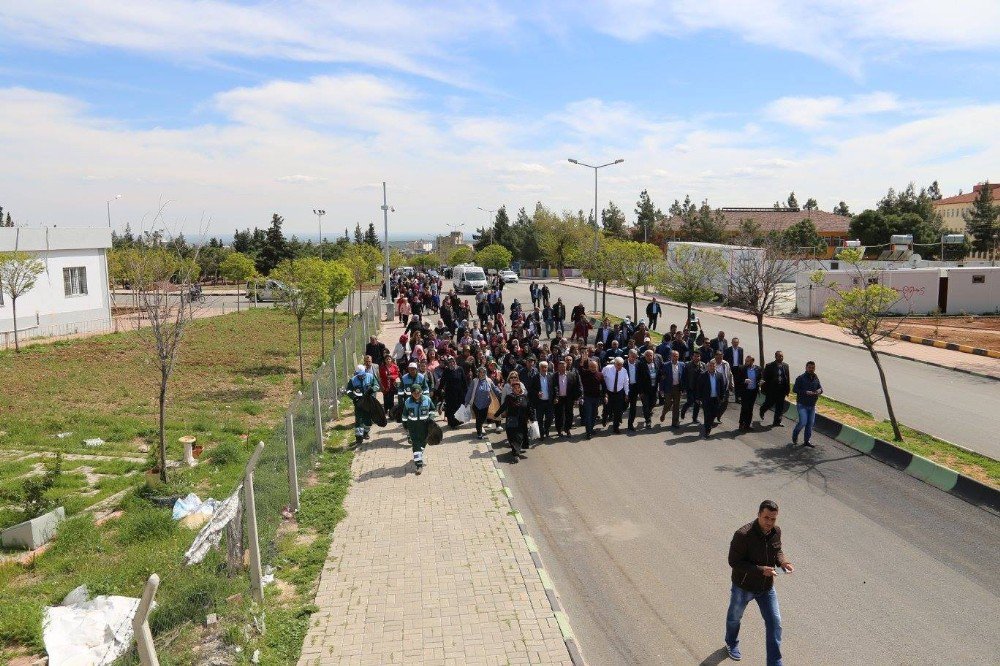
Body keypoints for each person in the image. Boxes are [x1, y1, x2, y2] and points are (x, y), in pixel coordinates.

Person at [725, 500, 793, 665]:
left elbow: (777, 550)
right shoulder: (743, 535)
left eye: (773, 519)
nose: (769, 522)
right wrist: (760, 569)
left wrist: (783, 562)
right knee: (735, 618)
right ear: (758, 515)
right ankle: (731, 643)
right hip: (743, 587)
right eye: (766, 518)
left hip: (766, 588)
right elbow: (734, 562)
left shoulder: (776, 531)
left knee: (775, 624)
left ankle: (774, 662)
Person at [495, 376, 534, 461]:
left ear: (520, 388)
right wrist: (497, 414)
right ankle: (515, 454)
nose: (516, 389)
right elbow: (503, 406)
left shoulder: (524, 397)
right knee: (512, 437)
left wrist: (532, 418)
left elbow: (529, 408)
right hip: (512, 421)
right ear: (512, 389)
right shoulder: (509, 397)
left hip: (522, 421)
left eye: (518, 387)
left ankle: (517, 451)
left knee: (520, 437)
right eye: (514, 387)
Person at [402, 384, 436, 474]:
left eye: (418, 392)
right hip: (413, 427)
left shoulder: (427, 399)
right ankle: (419, 465)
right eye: (414, 393)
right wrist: (405, 425)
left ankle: (418, 455)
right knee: (416, 445)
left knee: (423, 443)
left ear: (421, 392)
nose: (416, 394)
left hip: (425, 426)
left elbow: (432, 410)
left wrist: (431, 419)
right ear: (411, 393)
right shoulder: (407, 402)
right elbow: (405, 415)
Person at [345, 364, 380, 447]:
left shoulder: (370, 377)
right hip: (358, 402)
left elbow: (376, 386)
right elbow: (348, 391)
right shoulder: (353, 380)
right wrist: (354, 397)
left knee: (368, 419)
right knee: (359, 419)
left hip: (368, 401)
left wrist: (372, 389)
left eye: (362, 375)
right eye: (359, 375)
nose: (361, 377)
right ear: (356, 373)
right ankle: (358, 438)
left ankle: (366, 432)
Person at [791, 361, 823, 447]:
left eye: (813, 368)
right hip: (802, 405)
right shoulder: (801, 378)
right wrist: (805, 392)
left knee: (810, 424)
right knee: (803, 422)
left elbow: (820, 388)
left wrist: (819, 391)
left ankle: (806, 441)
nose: (811, 369)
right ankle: (795, 434)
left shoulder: (816, 377)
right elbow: (794, 389)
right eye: (809, 367)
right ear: (806, 368)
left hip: (812, 405)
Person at [465, 366, 502, 439]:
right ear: (478, 373)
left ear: (485, 373)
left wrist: (501, 394)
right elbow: (469, 392)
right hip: (476, 404)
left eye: (483, 372)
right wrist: (466, 401)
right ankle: (479, 433)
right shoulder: (474, 381)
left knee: (483, 418)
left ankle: (479, 429)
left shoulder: (489, 380)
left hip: (485, 404)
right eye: (480, 372)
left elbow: (494, 389)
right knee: (478, 419)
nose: (482, 373)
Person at [760, 351, 791, 427]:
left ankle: (777, 422)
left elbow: (787, 378)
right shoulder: (769, 366)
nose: (781, 358)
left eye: (782, 356)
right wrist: (764, 389)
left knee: (780, 406)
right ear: (775, 357)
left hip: (781, 390)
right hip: (772, 390)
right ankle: (762, 410)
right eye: (779, 356)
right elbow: (765, 378)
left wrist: (787, 389)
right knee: (769, 403)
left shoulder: (786, 366)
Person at [553, 359, 582, 437]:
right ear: (558, 368)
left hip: (569, 398)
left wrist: (576, 398)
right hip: (558, 398)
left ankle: (567, 429)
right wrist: (554, 397)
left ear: (566, 367)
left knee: (569, 414)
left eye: (564, 367)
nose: (562, 368)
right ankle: (559, 429)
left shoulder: (571, 375)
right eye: (560, 367)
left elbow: (576, 387)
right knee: (559, 414)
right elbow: (553, 387)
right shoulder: (554, 376)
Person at [438, 355, 469, 428]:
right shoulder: (446, 371)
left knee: (458, 408)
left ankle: (457, 422)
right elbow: (442, 382)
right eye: (450, 362)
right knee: (450, 409)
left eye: (453, 361)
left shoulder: (460, 369)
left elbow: (464, 381)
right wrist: (439, 390)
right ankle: (452, 424)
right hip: (450, 394)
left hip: (459, 393)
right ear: (448, 364)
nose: (452, 363)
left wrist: (466, 392)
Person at [601, 357, 629, 434]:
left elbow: (626, 382)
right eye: (618, 365)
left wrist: (626, 393)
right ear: (614, 364)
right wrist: (603, 392)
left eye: (621, 365)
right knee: (607, 408)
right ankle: (604, 418)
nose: (620, 367)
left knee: (618, 410)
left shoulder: (624, 371)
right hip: (608, 392)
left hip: (619, 393)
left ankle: (616, 427)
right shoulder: (607, 369)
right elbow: (601, 379)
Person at [697, 359, 724, 438]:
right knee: (707, 414)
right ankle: (707, 430)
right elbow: (699, 388)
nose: (712, 367)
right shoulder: (703, 375)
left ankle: (709, 423)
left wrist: (722, 397)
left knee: (715, 413)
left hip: (716, 399)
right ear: (707, 367)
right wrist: (699, 398)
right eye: (710, 366)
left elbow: (722, 387)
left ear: (716, 366)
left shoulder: (719, 375)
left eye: (713, 366)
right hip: (706, 399)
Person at [528, 360, 555, 440]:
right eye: (542, 367)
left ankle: (546, 430)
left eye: (545, 367)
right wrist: (537, 393)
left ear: (547, 368)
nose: (544, 369)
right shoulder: (535, 377)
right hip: (539, 402)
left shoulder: (551, 376)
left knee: (549, 418)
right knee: (540, 419)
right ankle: (542, 434)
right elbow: (531, 389)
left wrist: (556, 397)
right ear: (539, 368)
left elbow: (555, 387)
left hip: (549, 402)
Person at [658, 350, 685, 427]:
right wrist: (661, 390)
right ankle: (663, 413)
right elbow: (662, 378)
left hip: (677, 388)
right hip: (668, 388)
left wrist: (683, 388)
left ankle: (675, 422)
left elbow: (683, 377)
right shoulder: (665, 365)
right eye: (674, 356)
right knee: (668, 404)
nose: (675, 357)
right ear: (670, 356)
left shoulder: (682, 365)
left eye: (677, 356)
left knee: (676, 406)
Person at [636, 349, 661, 429]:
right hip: (645, 390)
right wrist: (640, 391)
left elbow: (659, 372)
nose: (650, 357)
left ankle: (647, 412)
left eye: (651, 355)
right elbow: (638, 379)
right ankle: (648, 421)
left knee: (653, 403)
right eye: (648, 355)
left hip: (654, 389)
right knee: (645, 405)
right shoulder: (641, 364)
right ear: (645, 356)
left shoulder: (656, 363)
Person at [579, 359, 603, 439]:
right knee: (588, 415)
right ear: (589, 367)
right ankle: (588, 432)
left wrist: (605, 396)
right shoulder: (585, 374)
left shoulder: (600, 374)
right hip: (587, 398)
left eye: (594, 366)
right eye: (591, 366)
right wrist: (582, 363)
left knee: (594, 415)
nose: (593, 368)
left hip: (596, 398)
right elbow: (580, 369)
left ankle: (591, 429)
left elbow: (604, 386)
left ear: (597, 367)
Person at [738, 357, 761, 431]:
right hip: (745, 392)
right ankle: (741, 424)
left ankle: (747, 425)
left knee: (750, 408)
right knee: (745, 408)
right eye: (746, 361)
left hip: (753, 391)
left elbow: (759, 378)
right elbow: (738, 380)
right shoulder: (742, 368)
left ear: (752, 361)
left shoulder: (758, 369)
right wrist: (744, 381)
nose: (746, 363)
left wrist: (760, 382)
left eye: (748, 361)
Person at [725, 338, 746, 403]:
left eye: (737, 342)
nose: (735, 343)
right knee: (728, 382)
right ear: (731, 343)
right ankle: (726, 397)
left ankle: (737, 398)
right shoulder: (728, 350)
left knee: (737, 383)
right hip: (730, 368)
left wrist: (741, 368)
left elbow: (741, 360)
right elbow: (725, 359)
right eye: (734, 342)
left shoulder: (740, 350)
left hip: (738, 368)